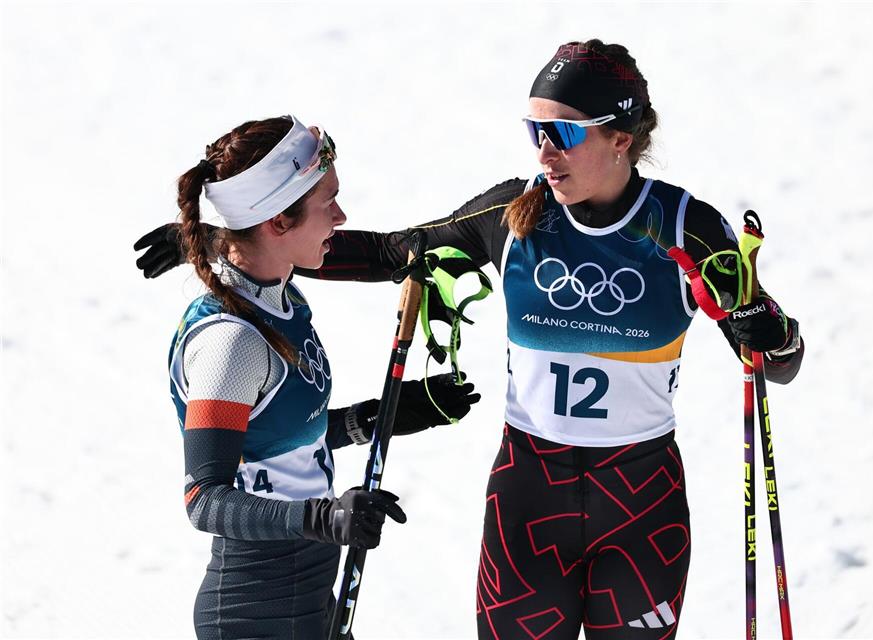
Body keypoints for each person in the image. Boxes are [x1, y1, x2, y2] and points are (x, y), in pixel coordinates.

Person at [135, 41, 803, 639]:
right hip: (529, 493)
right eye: (534, 131)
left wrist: (770, 333)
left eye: (561, 132)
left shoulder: (686, 227)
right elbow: (393, 253)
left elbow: (776, 361)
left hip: (639, 499)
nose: (543, 150)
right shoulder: (514, 213)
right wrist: (224, 234)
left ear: (619, 137)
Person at [144, 115, 480, 640]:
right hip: (252, 614)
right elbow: (205, 499)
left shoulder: (282, 300)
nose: (341, 218)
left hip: (310, 601)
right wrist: (324, 518)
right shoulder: (229, 343)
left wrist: (379, 419)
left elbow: (281, 449)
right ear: (278, 221)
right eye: (329, 202)